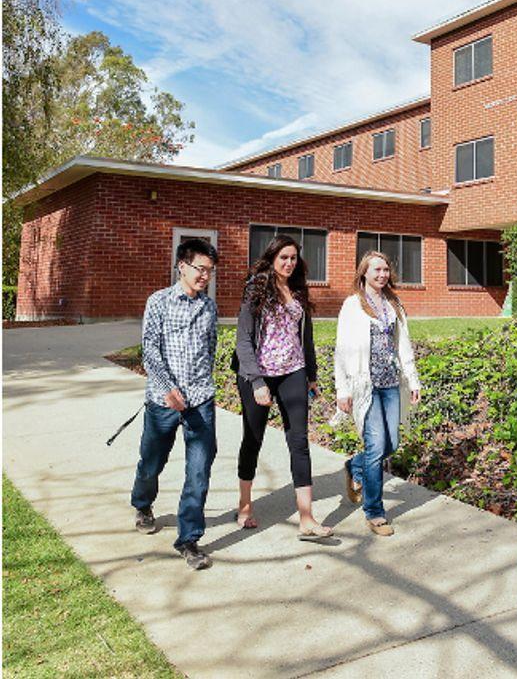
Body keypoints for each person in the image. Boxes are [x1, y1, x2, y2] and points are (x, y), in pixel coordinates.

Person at [231, 234, 333, 540]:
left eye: (293, 258)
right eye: (283, 258)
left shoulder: (299, 290)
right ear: (272, 258)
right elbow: (243, 340)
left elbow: (307, 336)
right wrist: (257, 381)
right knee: (253, 438)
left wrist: (312, 375)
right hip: (258, 375)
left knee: (299, 441)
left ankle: (307, 518)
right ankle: (245, 504)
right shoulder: (256, 288)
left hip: (293, 372)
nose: (289, 263)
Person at [131, 238, 219, 570]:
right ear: (182, 265)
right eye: (201, 269)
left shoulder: (209, 307)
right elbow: (149, 349)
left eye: (210, 271)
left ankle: (189, 539)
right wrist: (167, 388)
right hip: (163, 401)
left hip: (201, 402)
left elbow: (210, 348)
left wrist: (202, 387)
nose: (205, 276)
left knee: (199, 469)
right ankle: (142, 503)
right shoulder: (159, 302)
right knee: (152, 462)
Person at [334, 251, 421, 536]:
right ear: (364, 273)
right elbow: (342, 350)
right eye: (376, 270)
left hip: (391, 384)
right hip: (365, 386)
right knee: (376, 446)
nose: (382, 275)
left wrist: (413, 379)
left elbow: (403, 345)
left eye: (385, 270)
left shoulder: (393, 303)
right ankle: (374, 512)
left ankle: (354, 467)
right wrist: (342, 390)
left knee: (391, 444)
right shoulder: (352, 305)